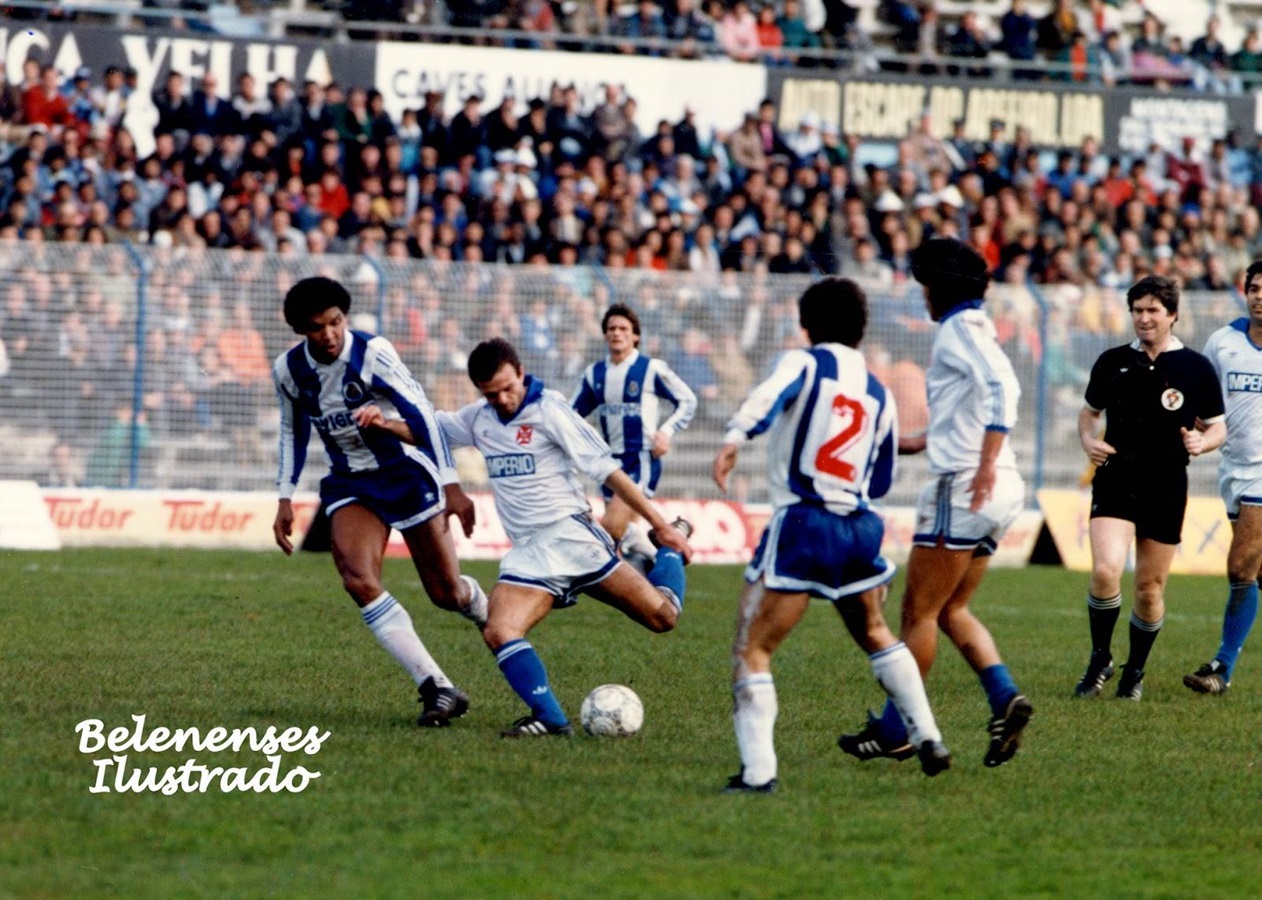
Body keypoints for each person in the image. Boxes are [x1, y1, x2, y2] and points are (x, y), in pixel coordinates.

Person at [713, 278, 950, 794]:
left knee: (752, 648)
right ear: (862, 329)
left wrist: (734, 437)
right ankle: (927, 734)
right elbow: (881, 481)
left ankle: (758, 775)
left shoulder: (803, 363)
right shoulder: (879, 391)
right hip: (860, 528)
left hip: (805, 520)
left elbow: (767, 399)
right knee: (875, 632)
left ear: (806, 324)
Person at [431, 337, 693, 737]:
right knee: (499, 630)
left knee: (663, 618)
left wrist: (662, 526)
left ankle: (668, 552)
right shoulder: (478, 418)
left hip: (574, 538)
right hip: (530, 552)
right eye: (491, 394)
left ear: (521, 373)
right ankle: (551, 719)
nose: (502, 400)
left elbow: (609, 472)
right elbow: (428, 428)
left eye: (508, 388)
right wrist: (380, 421)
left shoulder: (550, 410)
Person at [839, 237, 1033, 769]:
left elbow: (1003, 389)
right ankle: (1004, 698)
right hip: (998, 487)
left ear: (939, 288)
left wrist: (983, 462)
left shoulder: (956, 330)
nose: (921, 295)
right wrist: (923, 441)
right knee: (951, 609)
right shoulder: (976, 327)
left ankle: (895, 731)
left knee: (916, 613)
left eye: (925, 285)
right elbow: (971, 404)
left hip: (967, 485)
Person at [271, 277, 489, 728]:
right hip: (351, 483)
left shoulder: (373, 352)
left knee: (446, 594)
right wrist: (285, 496)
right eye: (317, 327)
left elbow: (421, 413)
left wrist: (451, 484)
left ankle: (484, 608)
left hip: (405, 473)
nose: (329, 334)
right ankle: (437, 686)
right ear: (300, 330)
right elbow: (293, 430)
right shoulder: (289, 371)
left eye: (336, 322)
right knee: (357, 579)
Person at [1075, 275, 1226, 701]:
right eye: (1137, 310)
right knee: (1105, 571)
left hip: (1166, 484)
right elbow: (1089, 413)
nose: (1144, 318)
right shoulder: (1113, 361)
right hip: (1117, 476)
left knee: (1148, 588)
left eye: (1153, 310)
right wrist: (1088, 440)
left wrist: (1202, 443)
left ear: (1172, 314)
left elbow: (1217, 426)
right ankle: (1100, 658)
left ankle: (1135, 671)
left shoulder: (1195, 368)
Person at [1183, 263, 1262, 695]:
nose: (1259, 295)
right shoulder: (1223, 342)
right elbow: (1203, 399)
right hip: (1233, 467)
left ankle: (1221, 667)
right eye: (1254, 288)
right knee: (1258, 570)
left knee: (1240, 566)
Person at [571, 304, 697, 568]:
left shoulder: (650, 369)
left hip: (640, 459)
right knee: (625, 536)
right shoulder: (595, 373)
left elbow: (687, 400)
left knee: (610, 530)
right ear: (605, 335)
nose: (617, 333)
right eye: (612, 329)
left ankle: (659, 550)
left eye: (623, 328)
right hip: (608, 464)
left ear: (635, 335)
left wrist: (666, 431)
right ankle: (667, 547)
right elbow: (571, 416)